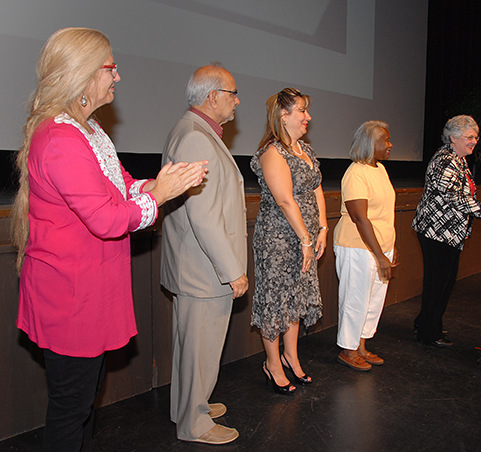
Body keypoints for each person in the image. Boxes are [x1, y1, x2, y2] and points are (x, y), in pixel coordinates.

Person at [11, 28, 207, 452]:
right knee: (71, 410)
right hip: (69, 299)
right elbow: (105, 218)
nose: (118, 77)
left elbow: (120, 187)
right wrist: (160, 196)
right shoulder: (61, 137)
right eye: (110, 68)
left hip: (86, 293)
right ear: (82, 75)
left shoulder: (89, 131)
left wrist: (160, 184)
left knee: (83, 405)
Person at [161, 63, 248, 445]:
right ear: (212, 97)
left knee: (191, 344)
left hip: (192, 264)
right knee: (201, 345)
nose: (236, 101)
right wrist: (233, 270)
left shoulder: (193, 131)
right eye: (232, 94)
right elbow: (204, 217)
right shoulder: (197, 138)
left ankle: (187, 404)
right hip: (203, 268)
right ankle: (194, 423)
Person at [250, 88, 326, 394]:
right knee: (275, 301)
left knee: (296, 299)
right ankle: (273, 364)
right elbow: (284, 200)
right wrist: (305, 239)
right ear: (284, 116)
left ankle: (292, 357)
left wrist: (321, 228)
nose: (308, 117)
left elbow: (316, 188)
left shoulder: (304, 150)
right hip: (279, 240)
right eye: (302, 111)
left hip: (305, 237)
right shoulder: (272, 152)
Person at [412, 115, 481, 349]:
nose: (474, 141)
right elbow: (454, 198)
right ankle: (427, 332)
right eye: (469, 137)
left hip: (449, 233)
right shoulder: (445, 160)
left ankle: (426, 322)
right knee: (438, 281)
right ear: (453, 137)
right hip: (436, 231)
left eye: (476, 137)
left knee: (445, 280)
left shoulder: (459, 159)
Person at [333, 120, 397, 371]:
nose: (390, 144)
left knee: (373, 300)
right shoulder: (355, 172)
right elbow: (360, 218)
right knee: (356, 299)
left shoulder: (380, 169)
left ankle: (361, 345)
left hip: (381, 245)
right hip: (358, 247)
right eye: (385, 140)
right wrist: (380, 255)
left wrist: (391, 247)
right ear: (370, 143)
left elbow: (385, 214)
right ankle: (348, 350)